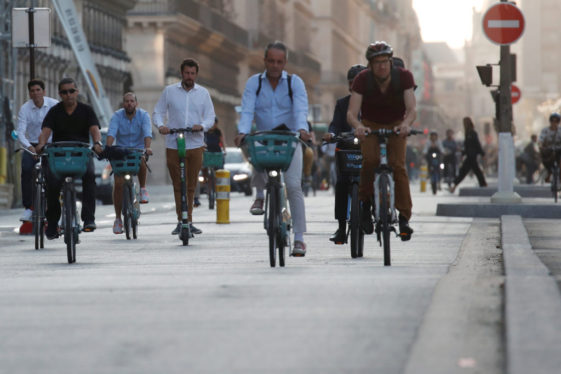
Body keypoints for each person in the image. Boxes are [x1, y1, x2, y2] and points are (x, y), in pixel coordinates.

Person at [235, 41, 311, 256]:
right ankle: (259, 194)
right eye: (271, 61)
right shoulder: (254, 83)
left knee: (294, 186)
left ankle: (299, 238)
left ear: (285, 62)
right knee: (252, 148)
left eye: (279, 62)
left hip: (290, 138)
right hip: (263, 138)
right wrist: (242, 131)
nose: (275, 65)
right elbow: (247, 110)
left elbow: (300, 110)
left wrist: (302, 130)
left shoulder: (294, 83)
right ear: (265, 61)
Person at [346, 41, 416, 241]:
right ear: (370, 64)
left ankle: (404, 218)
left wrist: (406, 124)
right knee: (369, 161)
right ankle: (366, 203)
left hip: (396, 125)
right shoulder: (362, 80)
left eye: (385, 61)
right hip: (370, 124)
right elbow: (351, 113)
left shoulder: (404, 77)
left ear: (391, 62)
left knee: (398, 166)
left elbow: (411, 108)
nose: (382, 66)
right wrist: (358, 126)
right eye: (377, 63)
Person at [152, 58, 216, 236]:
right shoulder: (169, 91)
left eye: (192, 73)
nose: (189, 76)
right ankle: (181, 220)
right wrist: (161, 126)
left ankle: (189, 220)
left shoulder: (203, 93)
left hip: (195, 144)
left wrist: (201, 126)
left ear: (196, 74)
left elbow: (210, 117)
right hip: (174, 143)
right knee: (177, 184)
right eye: (187, 73)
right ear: (182, 73)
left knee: (191, 184)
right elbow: (158, 112)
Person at [36, 77, 103, 239]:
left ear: (77, 92)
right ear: (60, 94)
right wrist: (41, 144)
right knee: (51, 185)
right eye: (64, 92)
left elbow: (94, 129)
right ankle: (52, 223)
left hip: (80, 155)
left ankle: (88, 219)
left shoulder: (87, 110)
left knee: (89, 178)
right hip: (59, 155)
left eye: (71, 91)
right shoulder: (54, 111)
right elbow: (45, 131)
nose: (68, 95)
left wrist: (97, 143)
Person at [323, 64, 367, 244]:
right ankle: (341, 228)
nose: (355, 86)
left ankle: (368, 214)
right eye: (352, 83)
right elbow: (335, 124)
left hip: (366, 149)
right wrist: (331, 134)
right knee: (341, 184)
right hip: (346, 150)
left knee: (370, 180)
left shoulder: (373, 104)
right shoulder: (342, 104)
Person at [106, 92, 153, 234]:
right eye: (126, 101)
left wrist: (147, 147)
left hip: (137, 151)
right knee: (118, 184)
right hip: (121, 152)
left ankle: (143, 189)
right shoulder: (117, 116)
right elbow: (111, 133)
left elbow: (147, 133)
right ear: (123, 103)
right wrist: (108, 149)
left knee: (142, 159)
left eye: (132, 101)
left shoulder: (143, 116)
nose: (129, 103)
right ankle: (118, 219)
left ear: (136, 103)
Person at [16, 79, 58, 222]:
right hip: (32, 144)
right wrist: (30, 147)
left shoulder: (54, 105)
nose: (35, 93)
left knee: (54, 174)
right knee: (26, 169)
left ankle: (56, 208)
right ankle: (29, 208)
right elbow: (20, 132)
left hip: (50, 144)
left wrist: (48, 143)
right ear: (29, 93)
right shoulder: (25, 109)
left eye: (38, 90)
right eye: (32, 91)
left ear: (44, 92)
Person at [449, 117, 487, 193]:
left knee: (465, 172)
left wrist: (482, 153)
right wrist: (463, 152)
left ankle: (454, 187)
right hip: (470, 156)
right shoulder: (467, 133)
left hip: (472, 156)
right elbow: (467, 147)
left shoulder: (473, 133)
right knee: (474, 171)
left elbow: (477, 144)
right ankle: (483, 185)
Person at [538, 112, 561, 182]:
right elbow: (541, 140)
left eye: (556, 121)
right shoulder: (545, 130)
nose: (554, 123)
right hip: (548, 150)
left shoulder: (560, 131)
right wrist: (540, 145)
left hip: (559, 149)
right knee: (544, 159)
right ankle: (549, 172)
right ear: (550, 121)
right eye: (552, 121)